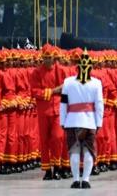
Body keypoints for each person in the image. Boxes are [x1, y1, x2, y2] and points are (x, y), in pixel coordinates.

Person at [60, 49, 104, 189]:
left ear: (77, 67)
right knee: (88, 151)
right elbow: (99, 105)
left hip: (72, 121)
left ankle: (75, 179)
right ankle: (85, 180)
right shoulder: (96, 83)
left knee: (74, 150)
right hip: (89, 121)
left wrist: (62, 121)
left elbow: (63, 104)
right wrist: (99, 122)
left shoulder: (67, 82)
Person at [30, 44, 67, 180]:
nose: (47, 61)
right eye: (45, 58)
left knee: (57, 138)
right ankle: (47, 169)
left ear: (53, 58)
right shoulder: (36, 72)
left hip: (58, 109)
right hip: (43, 110)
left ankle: (57, 166)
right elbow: (34, 91)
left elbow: (66, 89)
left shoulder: (61, 71)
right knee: (44, 140)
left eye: (49, 58)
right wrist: (52, 91)